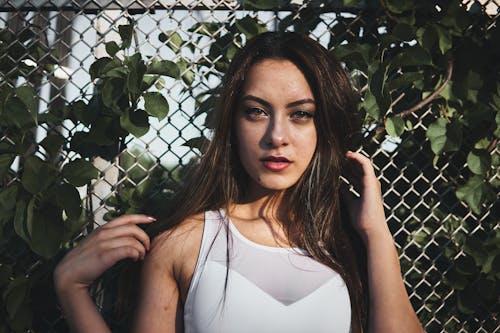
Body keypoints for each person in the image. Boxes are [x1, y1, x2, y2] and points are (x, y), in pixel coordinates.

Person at [54, 32, 423, 333]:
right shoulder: (185, 243)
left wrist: (376, 233)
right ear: (232, 124)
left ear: (322, 127)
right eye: (256, 112)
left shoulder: (345, 244)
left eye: (300, 114)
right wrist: (71, 287)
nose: (276, 136)